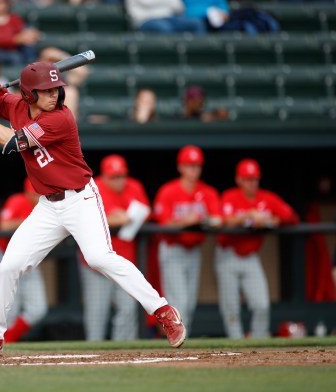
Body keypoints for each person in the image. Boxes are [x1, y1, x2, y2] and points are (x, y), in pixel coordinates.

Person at [0, 61, 186, 356]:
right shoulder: (18, 105)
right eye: (46, 91)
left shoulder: (60, 119)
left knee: (99, 257)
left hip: (80, 199)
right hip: (47, 205)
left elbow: (8, 142)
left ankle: (162, 311)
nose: (54, 95)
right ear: (29, 95)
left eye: (56, 89)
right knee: (8, 266)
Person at [216, 159, 299, 339]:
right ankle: (236, 344)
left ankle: (258, 342)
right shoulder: (230, 196)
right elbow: (223, 220)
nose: (252, 183)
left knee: (261, 304)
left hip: (251, 257)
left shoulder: (266, 198)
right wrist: (248, 215)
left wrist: (273, 220)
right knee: (231, 307)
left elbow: (292, 217)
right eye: (247, 179)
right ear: (239, 179)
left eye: (254, 179)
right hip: (228, 254)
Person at [79, 154, 151, 341]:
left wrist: (129, 217)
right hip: (97, 264)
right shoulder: (92, 188)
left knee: (127, 308)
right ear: (104, 176)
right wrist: (110, 219)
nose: (119, 181)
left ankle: (123, 353)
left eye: (121, 176)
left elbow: (146, 213)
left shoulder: (135, 186)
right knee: (97, 311)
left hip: (124, 260)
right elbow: (82, 219)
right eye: (114, 177)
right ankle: (93, 351)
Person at [152, 145, 222, 334]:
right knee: (179, 300)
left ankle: (181, 338)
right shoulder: (168, 191)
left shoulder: (207, 192)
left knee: (189, 302)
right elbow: (164, 223)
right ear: (181, 167)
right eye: (189, 165)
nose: (194, 170)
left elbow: (218, 219)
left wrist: (200, 220)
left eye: (197, 166)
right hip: (172, 249)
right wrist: (187, 221)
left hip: (194, 250)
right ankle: (177, 337)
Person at [0, 178, 48, 342]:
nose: (37, 196)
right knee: (9, 309)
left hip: (30, 260)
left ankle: (7, 339)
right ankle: (0, 343)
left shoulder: (48, 205)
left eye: (40, 193)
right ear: (27, 192)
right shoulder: (17, 201)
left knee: (38, 308)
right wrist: (29, 221)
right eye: (34, 193)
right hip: (5, 257)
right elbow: (4, 225)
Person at [38, 46, 88, 120]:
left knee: (70, 92)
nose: (52, 63)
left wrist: (62, 56)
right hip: (37, 117)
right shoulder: (34, 72)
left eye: (55, 61)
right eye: (49, 60)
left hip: (58, 118)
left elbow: (82, 72)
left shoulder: (61, 76)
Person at [125, 0, 206, 34]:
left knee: (196, 23)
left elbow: (178, 6)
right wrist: (162, 2)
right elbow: (134, 12)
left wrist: (152, 1)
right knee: (165, 28)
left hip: (170, 18)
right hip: (146, 20)